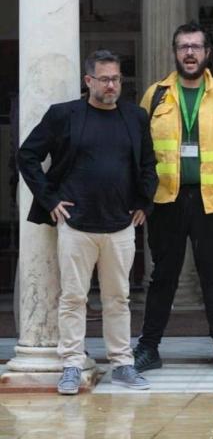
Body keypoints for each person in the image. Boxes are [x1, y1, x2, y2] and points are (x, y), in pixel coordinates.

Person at [18, 50, 157, 394]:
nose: (112, 86)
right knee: (73, 298)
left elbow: (149, 164)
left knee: (118, 298)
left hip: (121, 225)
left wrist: (144, 202)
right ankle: (71, 365)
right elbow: (27, 155)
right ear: (89, 81)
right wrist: (50, 199)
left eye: (117, 79)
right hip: (76, 224)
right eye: (105, 79)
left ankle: (123, 363)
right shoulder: (64, 115)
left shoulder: (135, 116)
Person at [134, 21, 213, 376]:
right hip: (166, 199)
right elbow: (140, 150)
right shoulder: (155, 96)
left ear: (207, 53)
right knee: (162, 276)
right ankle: (148, 347)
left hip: (210, 201)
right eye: (184, 46)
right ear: (175, 51)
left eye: (196, 47)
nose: (190, 53)